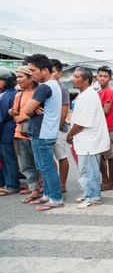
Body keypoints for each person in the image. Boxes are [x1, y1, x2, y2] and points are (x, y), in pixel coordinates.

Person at [23, 54, 63, 211]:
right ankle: (47, 194)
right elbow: (30, 109)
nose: (31, 73)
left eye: (33, 70)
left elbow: (26, 110)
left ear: (45, 70)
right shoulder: (53, 85)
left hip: (42, 133)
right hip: (44, 132)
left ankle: (55, 198)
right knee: (43, 166)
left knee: (46, 167)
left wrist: (31, 110)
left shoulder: (44, 87)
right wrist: (33, 109)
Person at [67, 67, 110, 209]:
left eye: (77, 76)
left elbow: (81, 122)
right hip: (85, 140)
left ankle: (93, 197)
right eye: (73, 75)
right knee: (85, 169)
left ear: (86, 80)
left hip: (89, 140)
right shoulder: (84, 94)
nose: (73, 78)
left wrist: (70, 134)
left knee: (89, 170)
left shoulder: (89, 95)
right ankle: (88, 194)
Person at [9, 66, 39, 202]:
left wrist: (21, 115)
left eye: (21, 77)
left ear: (30, 78)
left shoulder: (38, 93)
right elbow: (16, 116)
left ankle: (46, 189)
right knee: (25, 165)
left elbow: (32, 114)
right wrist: (20, 114)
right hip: (20, 133)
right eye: (17, 77)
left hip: (36, 134)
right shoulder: (18, 95)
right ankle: (34, 190)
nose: (18, 80)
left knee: (40, 164)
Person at [50, 59, 70, 193]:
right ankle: (54, 183)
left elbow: (65, 110)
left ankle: (62, 184)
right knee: (49, 158)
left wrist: (57, 127)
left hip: (59, 130)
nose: (50, 74)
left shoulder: (62, 89)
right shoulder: (49, 86)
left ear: (59, 73)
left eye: (53, 71)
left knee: (61, 156)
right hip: (48, 129)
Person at [97, 66, 113, 191]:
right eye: (100, 76)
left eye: (105, 76)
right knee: (99, 156)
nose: (102, 79)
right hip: (100, 129)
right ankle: (105, 180)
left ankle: (110, 182)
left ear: (110, 78)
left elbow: (106, 111)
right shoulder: (98, 92)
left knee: (109, 157)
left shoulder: (109, 92)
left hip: (108, 128)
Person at [0, 68, 19, 196]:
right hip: (12, 130)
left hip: (6, 132)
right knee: (9, 159)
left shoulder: (5, 96)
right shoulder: (15, 93)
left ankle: (11, 185)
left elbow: (0, 118)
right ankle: (9, 183)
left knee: (8, 159)